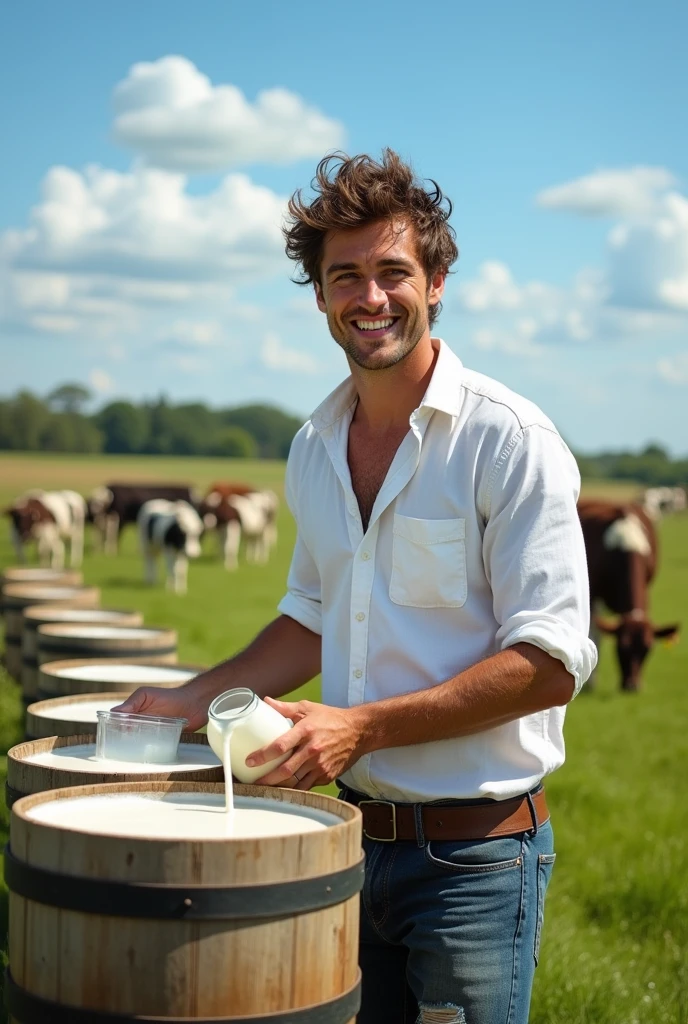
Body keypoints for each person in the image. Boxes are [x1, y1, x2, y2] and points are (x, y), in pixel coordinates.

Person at [117, 149, 597, 1024]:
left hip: (476, 864)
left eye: (392, 272)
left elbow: (553, 662)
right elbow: (311, 617)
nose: (369, 298)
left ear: (438, 281)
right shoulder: (313, 444)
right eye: (346, 277)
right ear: (319, 296)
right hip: (340, 846)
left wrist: (360, 729)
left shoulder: (509, 440)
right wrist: (191, 697)